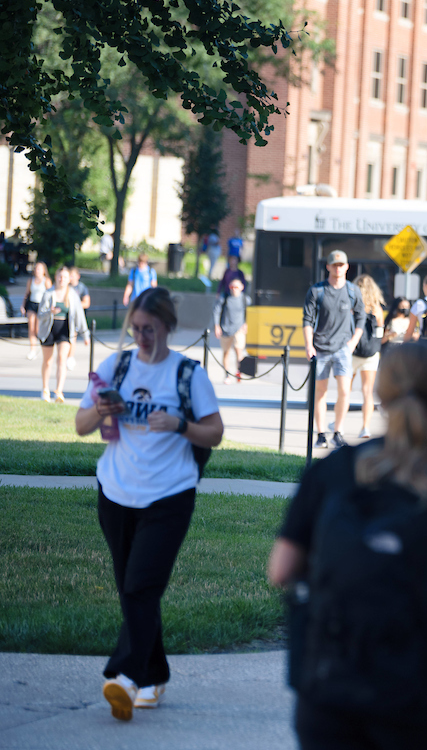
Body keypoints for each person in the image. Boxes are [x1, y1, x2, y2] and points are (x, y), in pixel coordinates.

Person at [268, 343, 427, 750]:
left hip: (329, 678)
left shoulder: (332, 469)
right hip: (415, 681)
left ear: (380, 395)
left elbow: (280, 570)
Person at [75, 287, 224, 721]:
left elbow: (214, 433)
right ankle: (155, 673)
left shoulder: (188, 374)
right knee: (132, 590)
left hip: (170, 495)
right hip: (116, 492)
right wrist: (102, 410)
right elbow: (82, 425)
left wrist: (179, 424)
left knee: (142, 585)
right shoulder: (115, 366)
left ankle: (125, 675)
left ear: (168, 327)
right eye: (135, 328)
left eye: (150, 329)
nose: (141, 336)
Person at [302, 250, 365, 450]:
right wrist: (308, 345)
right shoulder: (317, 291)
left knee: (344, 391)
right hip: (320, 348)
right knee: (320, 393)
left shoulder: (353, 291)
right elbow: (307, 320)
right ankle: (321, 434)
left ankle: (338, 431)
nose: (338, 268)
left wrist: (353, 341)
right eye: (334, 265)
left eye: (341, 265)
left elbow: (362, 317)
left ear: (347, 267)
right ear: (328, 267)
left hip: (343, 349)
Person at [38, 266, 90, 402]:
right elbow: (40, 314)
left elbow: (79, 316)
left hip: (65, 330)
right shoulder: (48, 293)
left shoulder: (72, 295)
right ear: (56, 277)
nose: (62, 279)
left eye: (65, 277)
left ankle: (59, 391)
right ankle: (45, 389)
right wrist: (50, 311)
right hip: (49, 329)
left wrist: (85, 335)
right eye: (60, 276)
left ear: (69, 279)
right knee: (48, 361)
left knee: (62, 359)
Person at [350, 274, 386, 438]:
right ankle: (365, 427)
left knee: (345, 390)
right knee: (367, 392)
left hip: (353, 351)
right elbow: (380, 334)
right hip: (371, 354)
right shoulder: (377, 309)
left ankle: (338, 424)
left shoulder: (353, 306)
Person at [212, 277, 251, 384]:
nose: (234, 289)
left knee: (239, 350)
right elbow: (216, 311)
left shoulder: (245, 299)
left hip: (239, 328)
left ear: (241, 288)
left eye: (236, 287)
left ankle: (239, 371)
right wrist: (217, 326)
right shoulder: (224, 298)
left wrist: (246, 323)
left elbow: (249, 312)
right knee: (226, 352)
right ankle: (227, 374)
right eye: (231, 287)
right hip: (226, 328)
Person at [21, 260, 50, 360]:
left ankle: (40, 347)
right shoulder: (31, 280)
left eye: (39, 269)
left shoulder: (46, 281)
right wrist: (23, 305)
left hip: (41, 306)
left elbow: (50, 294)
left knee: (38, 329)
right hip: (32, 305)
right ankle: (32, 350)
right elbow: (27, 294)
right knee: (31, 328)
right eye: (36, 268)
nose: (37, 270)